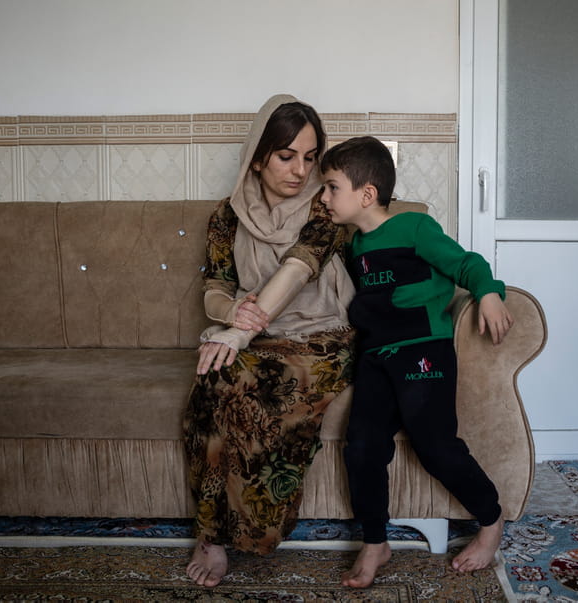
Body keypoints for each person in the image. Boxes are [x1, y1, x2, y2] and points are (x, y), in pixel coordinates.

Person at [319, 136, 514, 588]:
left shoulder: (415, 228)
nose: (324, 197)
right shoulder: (353, 248)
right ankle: (375, 542)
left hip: (423, 349)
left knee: (434, 444)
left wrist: (487, 291)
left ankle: (490, 520)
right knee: (362, 448)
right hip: (375, 358)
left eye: (331, 187)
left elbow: (466, 264)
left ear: (366, 194)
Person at [183, 94, 356, 587]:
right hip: (257, 333)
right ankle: (211, 537)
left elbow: (299, 267)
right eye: (286, 156)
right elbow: (215, 287)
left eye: (310, 156)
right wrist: (232, 312)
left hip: (319, 339)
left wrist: (239, 331)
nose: (301, 170)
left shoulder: (326, 207)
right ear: (258, 157)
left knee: (253, 390)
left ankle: (253, 534)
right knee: (210, 382)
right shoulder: (228, 214)